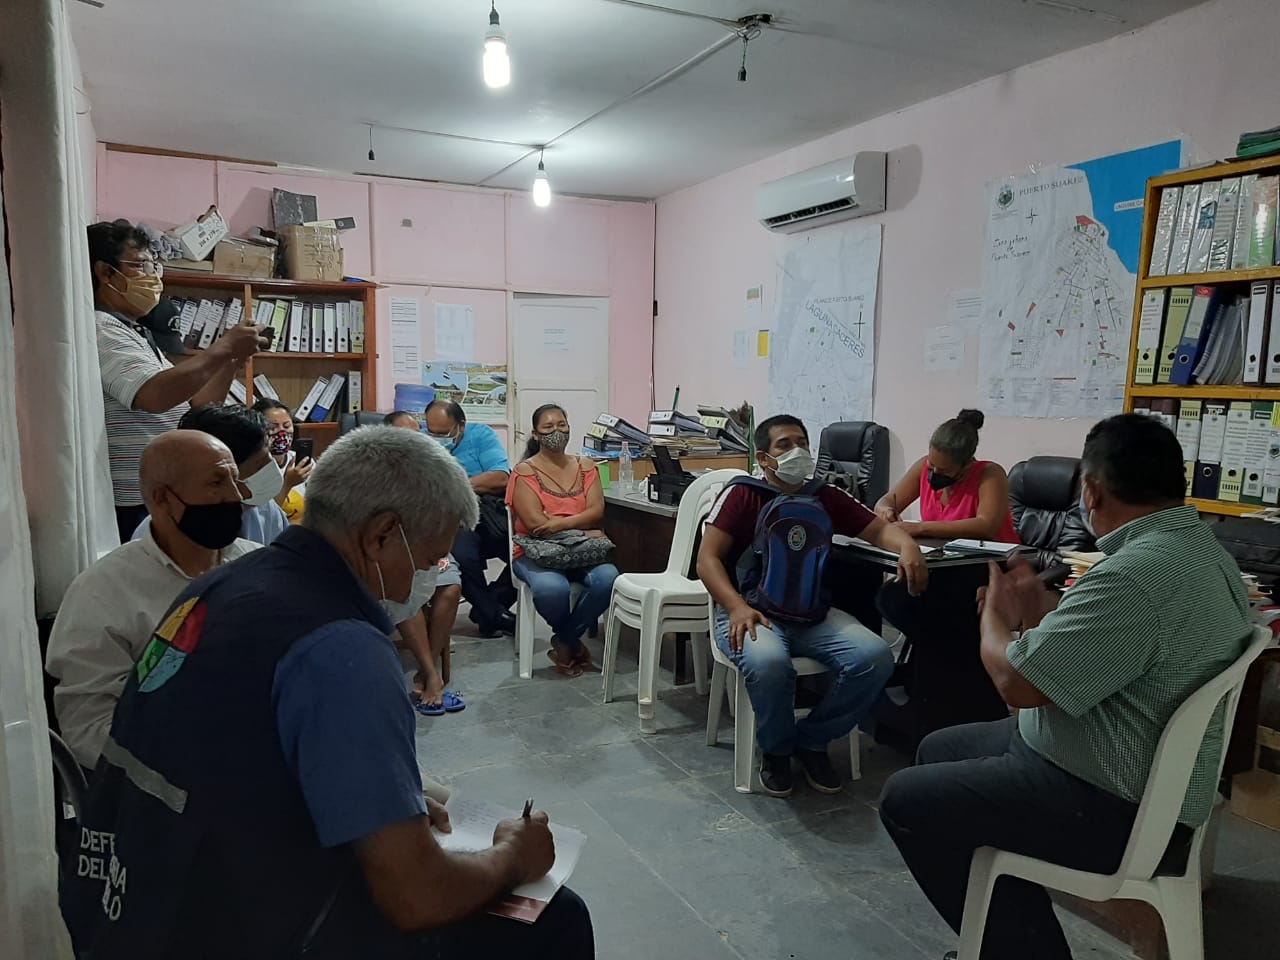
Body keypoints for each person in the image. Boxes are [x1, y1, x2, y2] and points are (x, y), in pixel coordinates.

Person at [62, 426, 593, 958]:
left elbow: (235, 747)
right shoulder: (342, 648)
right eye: (428, 558)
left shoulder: (220, 584)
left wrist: (382, 799)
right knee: (555, 918)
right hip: (222, 925)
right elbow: (418, 896)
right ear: (381, 534)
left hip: (122, 899)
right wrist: (512, 856)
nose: (428, 578)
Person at [879, 414, 1253, 960]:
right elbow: (1122, 643)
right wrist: (1044, 610)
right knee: (937, 749)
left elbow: (1015, 682)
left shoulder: (1132, 574)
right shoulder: (1203, 554)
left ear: (1093, 491)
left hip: (1110, 798)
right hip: (1108, 758)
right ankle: (1001, 929)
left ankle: (1022, 951)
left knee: (906, 801)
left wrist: (998, 619)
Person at [695, 414, 929, 797]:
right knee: (769, 662)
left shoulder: (824, 495)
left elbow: (877, 529)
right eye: (784, 445)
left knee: (874, 657)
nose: (797, 451)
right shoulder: (742, 494)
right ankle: (776, 751)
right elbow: (708, 560)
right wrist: (735, 606)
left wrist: (908, 546)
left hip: (810, 612)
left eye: (802, 442)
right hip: (747, 609)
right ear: (764, 457)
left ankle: (812, 740)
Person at [45, 431, 259, 770]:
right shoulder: (103, 591)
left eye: (236, 481)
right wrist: (195, 762)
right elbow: (89, 729)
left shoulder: (259, 567)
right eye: (216, 483)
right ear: (162, 499)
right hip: (169, 786)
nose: (236, 496)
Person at [89, 220, 266, 541]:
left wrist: (232, 360)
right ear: (105, 272)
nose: (155, 276)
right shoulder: (103, 328)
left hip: (161, 492)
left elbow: (197, 408)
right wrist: (223, 347)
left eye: (155, 266)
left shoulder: (137, 335)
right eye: (141, 265)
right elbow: (153, 395)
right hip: (135, 498)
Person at [873, 409, 1018, 743]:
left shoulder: (989, 474)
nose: (934, 474)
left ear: (966, 465)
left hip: (987, 570)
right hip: (942, 567)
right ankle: (935, 693)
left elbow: (987, 524)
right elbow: (890, 498)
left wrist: (918, 527)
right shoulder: (926, 466)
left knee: (931, 613)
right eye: (932, 467)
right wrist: (885, 507)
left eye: (944, 471)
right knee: (895, 597)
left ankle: (944, 701)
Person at [507, 404, 618, 678]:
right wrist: (583, 529)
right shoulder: (524, 472)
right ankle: (569, 639)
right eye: (548, 427)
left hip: (581, 553)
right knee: (551, 589)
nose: (556, 431)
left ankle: (564, 640)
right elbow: (536, 525)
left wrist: (559, 523)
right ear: (535, 434)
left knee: (609, 578)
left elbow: (596, 511)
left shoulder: (586, 466)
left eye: (561, 425)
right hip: (536, 554)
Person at [386, 413, 465, 715]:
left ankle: (425, 669)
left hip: (432, 549)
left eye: (417, 433)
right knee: (406, 591)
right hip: (391, 554)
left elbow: (451, 515)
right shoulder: (371, 473)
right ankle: (433, 676)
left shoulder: (436, 468)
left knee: (450, 586)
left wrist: (439, 551)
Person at [423, 400, 518, 637]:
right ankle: (492, 615)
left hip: (487, 512)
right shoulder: (421, 443)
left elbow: (500, 477)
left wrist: (458, 486)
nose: (436, 438)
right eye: (430, 432)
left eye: (443, 433)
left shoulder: (480, 436)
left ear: (461, 426)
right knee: (463, 555)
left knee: (525, 552)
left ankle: (488, 608)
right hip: (451, 520)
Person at [131, 405, 289, 546]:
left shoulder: (266, 510)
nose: (271, 469)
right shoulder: (158, 535)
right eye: (260, 466)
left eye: (270, 457)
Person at [254, 397, 312, 523]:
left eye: (286, 426)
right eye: (273, 427)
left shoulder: (303, 463)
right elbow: (264, 520)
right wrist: (287, 484)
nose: (282, 432)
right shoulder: (250, 467)